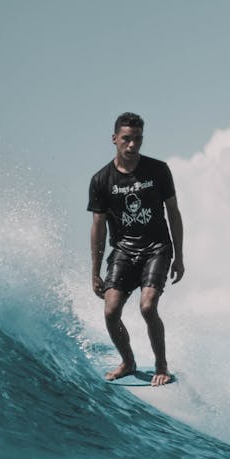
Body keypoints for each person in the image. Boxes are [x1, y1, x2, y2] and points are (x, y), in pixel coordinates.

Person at [87, 112, 184, 386]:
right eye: (126, 139)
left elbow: (174, 213)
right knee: (110, 311)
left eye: (137, 139)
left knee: (147, 307)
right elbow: (98, 227)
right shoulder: (101, 180)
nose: (132, 145)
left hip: (156, 248)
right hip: (124, 251)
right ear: (115, 138)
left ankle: (161, 366)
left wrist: (179, 256)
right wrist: (95, 272)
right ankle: (128, 361)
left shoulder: (158, 170)